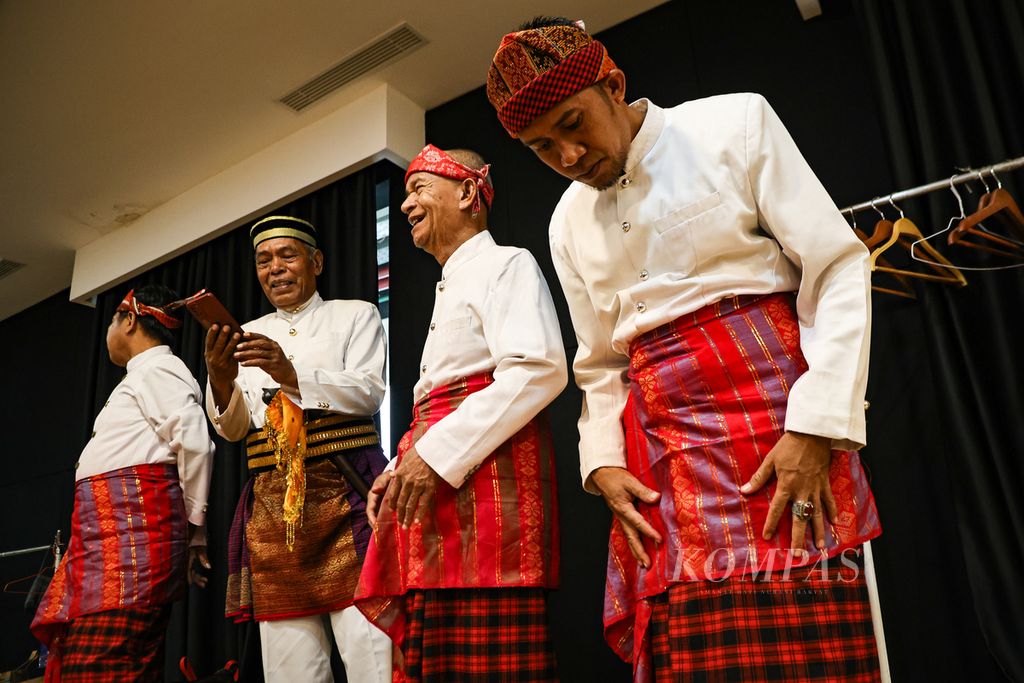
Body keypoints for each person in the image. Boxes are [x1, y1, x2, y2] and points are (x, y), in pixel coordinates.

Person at [487, 17, 883, 682]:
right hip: (662, 461)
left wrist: (814, 426)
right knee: (699, 656)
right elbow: (599, 363)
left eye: (574, 124)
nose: (568, 156)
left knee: (814, 642)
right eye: (542, 146)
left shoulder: (735, 125)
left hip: (778, 428)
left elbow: (836, 266)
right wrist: (603, 462)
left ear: (613, 83)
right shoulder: (565, 222)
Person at [355, 146, 567, 681]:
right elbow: (435, 398)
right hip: (438, 481)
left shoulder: (506, 263)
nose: (406, 205)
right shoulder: (446, 286)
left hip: (489, 488)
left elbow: (537, 369)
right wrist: (399, 469)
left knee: (488, 657)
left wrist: (433, 454)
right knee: (434, 652)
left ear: (469, 192)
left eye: (420, 189)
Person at [204, 215, 391, 682]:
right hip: (274, 505)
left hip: (348, 488)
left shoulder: (356, 313)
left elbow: (369, 392)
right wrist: (221, 378)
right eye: (264, 260)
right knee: (290, 668)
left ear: (317, 262)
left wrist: (289, 373)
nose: (276, 269)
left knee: (373, 654)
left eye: (288, 255)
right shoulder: (245, 332)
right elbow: (234, 428)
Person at [32, 284, 215, 682]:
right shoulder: (143, 376)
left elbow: (197, 442)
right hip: (108, 550)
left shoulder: (158, 369)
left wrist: (193, 529)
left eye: (113, 321)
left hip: (126, 557)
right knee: (92, 665)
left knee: (103, 668)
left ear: (129, 319)